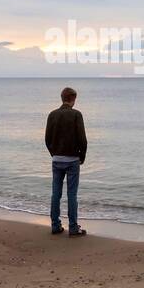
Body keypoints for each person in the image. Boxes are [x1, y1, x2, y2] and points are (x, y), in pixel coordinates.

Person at [44, 86, 87, 237]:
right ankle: (73, 227)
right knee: (72, 194)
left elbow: (47, 139)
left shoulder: (52, 115)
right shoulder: (76, 115)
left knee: (56, 193)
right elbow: (82, 139)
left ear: (62, 98)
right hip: (72, 159)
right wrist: (82, 156)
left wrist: (54, 153)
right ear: (73, 99)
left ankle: (55, 225)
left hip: (57, 159)